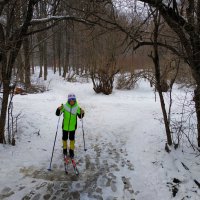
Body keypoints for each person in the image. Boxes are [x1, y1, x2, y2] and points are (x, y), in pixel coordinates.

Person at [56, 93, 84, 158]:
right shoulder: (65, 107)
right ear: (68, 101)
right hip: (65, 127)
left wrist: (82, 112)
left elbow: (80, 116)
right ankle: (64, 149)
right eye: (70, 101)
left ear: (75, 101)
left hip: (72, 127)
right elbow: (58, 114)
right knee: (64, 138)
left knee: (72, 139)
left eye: (73, 101)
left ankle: (71, 151)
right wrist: (58, 109)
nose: (72, 102)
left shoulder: (77, 107)